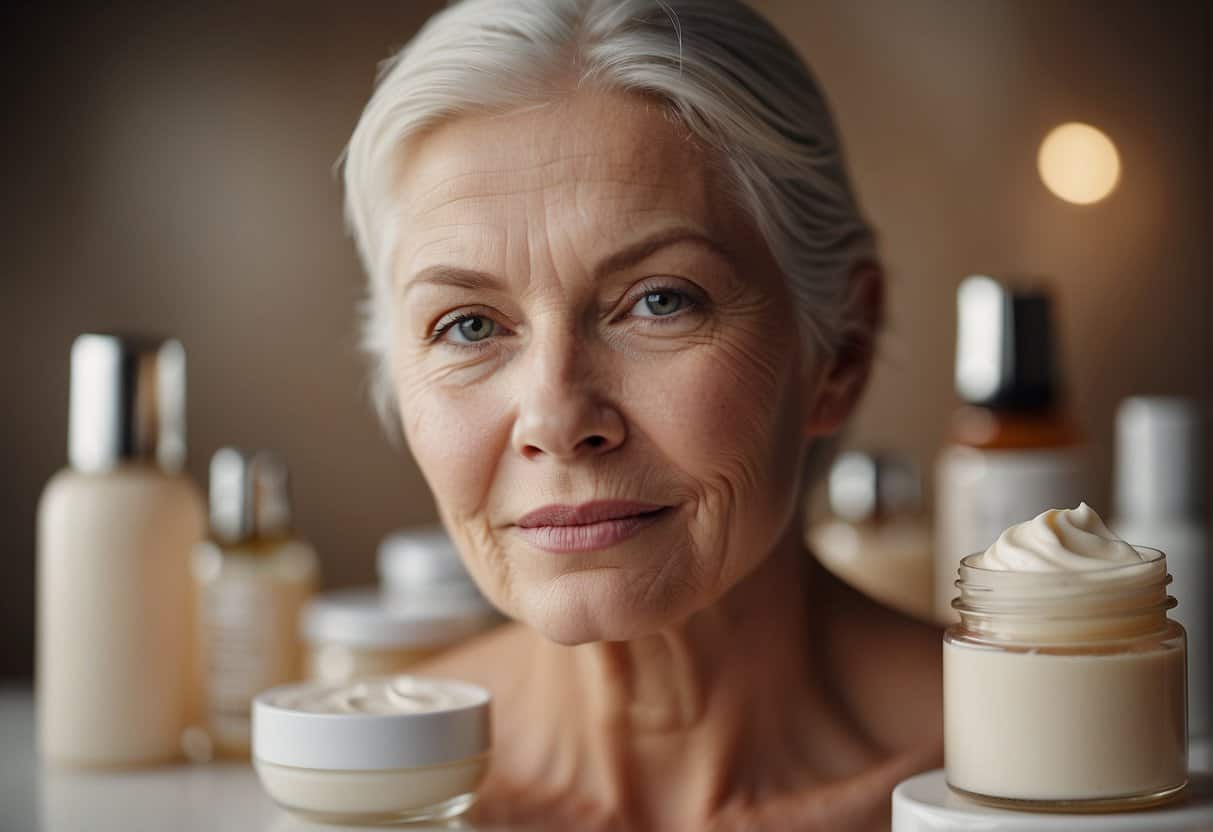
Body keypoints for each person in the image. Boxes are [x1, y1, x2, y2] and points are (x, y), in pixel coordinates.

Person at [342, 1, 942, 828]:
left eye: (659, 302)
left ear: (839, 348)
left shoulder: (1034, 772)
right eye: (469, 326)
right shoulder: (359, 787)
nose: (555, 416)